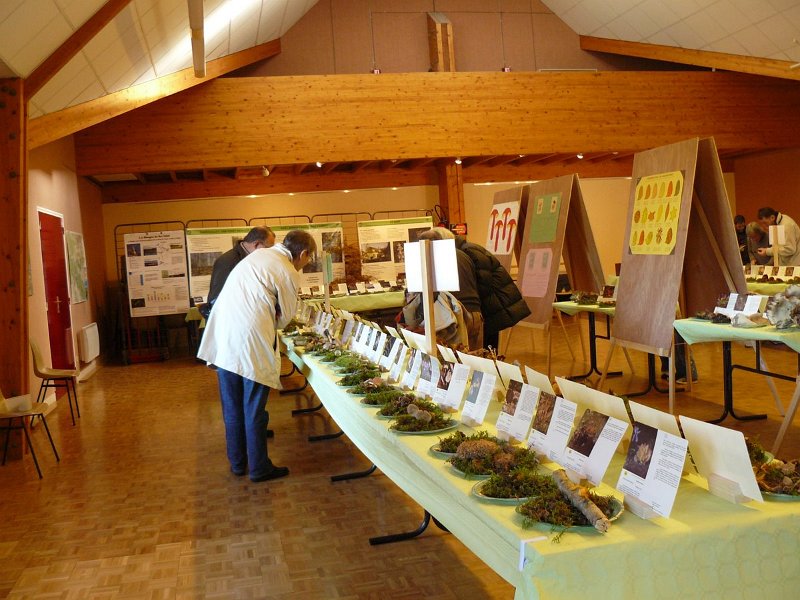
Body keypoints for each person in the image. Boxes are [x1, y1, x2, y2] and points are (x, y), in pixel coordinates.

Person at [197, 229, 316, 482]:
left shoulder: (258, 257)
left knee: (232, 407)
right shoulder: (286, 269)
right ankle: (259, 468)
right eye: (308, 259)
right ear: (304, 253)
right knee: (253, 408)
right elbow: (284, 318)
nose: (306, 264)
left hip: (224, 339)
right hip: (249, 343)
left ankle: (239, 464)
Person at [453, 235, 531, 349]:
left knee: (489, 348)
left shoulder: (468, 252)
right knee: (489, 345)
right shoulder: (468, 249)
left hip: (491, 307)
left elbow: (485, 283)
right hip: (494, 305)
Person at [417, 227, 483, 349]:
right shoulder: (462, 254)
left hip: (458, 314)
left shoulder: (437, 256)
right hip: (475, 311)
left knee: (457, 358)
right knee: (476, 358)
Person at [201, 226, 275, 317]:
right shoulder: (228, 261)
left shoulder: (251, 259)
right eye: (268, 248)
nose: (270, 253)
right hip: (229, 321)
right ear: (256, 244)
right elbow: (216, 299)